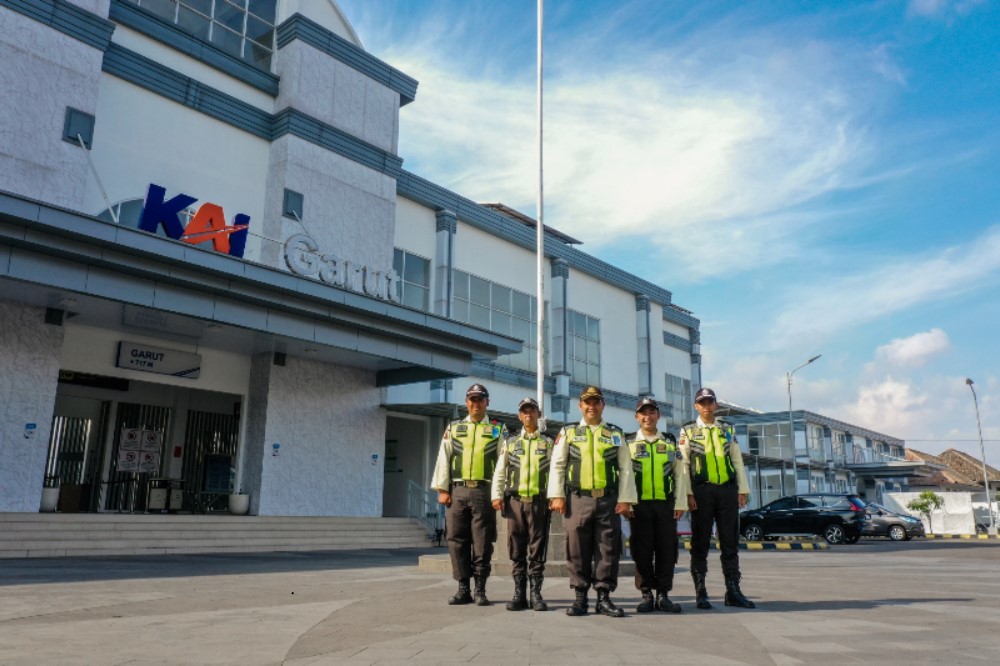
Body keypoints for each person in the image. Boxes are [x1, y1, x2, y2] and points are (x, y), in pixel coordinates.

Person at [548, 385, 637, 617]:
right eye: (587, 402)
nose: (591, 406)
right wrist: (557, 495)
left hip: (608, 500)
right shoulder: (567, 432)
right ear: (580, 406)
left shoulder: (615, 433)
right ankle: (580, 598)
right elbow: (558, 464)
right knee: (577, 548)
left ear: (602, 405)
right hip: (577, 499)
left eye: (596, 402)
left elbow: (625, 468)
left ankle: (604, 597)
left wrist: (626, 499)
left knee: (607, 548)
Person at [431, 383, 509, 606]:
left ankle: (481, 589)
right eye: (472, 399)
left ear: (487, 402)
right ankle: (463, 587)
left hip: (484, 491)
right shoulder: (454, 428)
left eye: (480, 399)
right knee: (456, 539)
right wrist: (443, 489)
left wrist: (498, 493)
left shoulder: (498, 429)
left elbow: (503, 464)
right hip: (457, 490)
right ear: (466, 402)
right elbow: (443, 457)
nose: (476, 403)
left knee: (483, 541)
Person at [679, 387, 755, 609]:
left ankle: (733, 591)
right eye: (702, 403)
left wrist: (742, 490)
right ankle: (701, 592)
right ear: (696, 406)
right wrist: (688, 494)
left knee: (730, 542)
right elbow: (683, 465)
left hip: (727, 492)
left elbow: (737, 461)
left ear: (716, 405)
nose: (706, 406)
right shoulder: (688, 431)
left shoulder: (727, 429)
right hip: (701, 492)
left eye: (710, 402)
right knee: (700, 543)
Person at [626, 397, 689, 613]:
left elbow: (680, 475)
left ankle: (663, 595)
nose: (647, 416)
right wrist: (626, 503)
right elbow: (624, 476)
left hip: (665, 506)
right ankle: (646, 595)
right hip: (639, 507)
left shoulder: (669, 443)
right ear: (637, 417)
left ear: (658, 416)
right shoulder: (629, 444)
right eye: (643, 413)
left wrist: (680, 503)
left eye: (652, 412)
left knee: (666, 551)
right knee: (641, 551)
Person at [491, 396, 553, 611]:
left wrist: (555, 497)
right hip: (515, 503)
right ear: (519, 416)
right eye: (524, 411)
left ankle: (536, 594)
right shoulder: (510, 442)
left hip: (539, 503)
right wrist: (497, 495)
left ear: (538, 414)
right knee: (516, 549)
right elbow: (500, 471)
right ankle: (519, 594)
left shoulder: (548, 442)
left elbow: (556, 473)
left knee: (537, 550)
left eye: (532, 411)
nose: (528, 414)